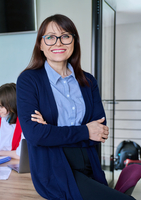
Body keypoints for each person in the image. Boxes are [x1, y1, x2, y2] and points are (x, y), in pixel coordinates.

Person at [16, 14, 135, 200]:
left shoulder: (88, 81)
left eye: (65, 36)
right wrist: (85, 131)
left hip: (91, 163)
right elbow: (35, 135)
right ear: (40, 44)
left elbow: (100, 133)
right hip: (54, 168)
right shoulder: (29, 80)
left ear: (73, 41)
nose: (58, 43)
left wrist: (51, 130)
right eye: (50, 37)